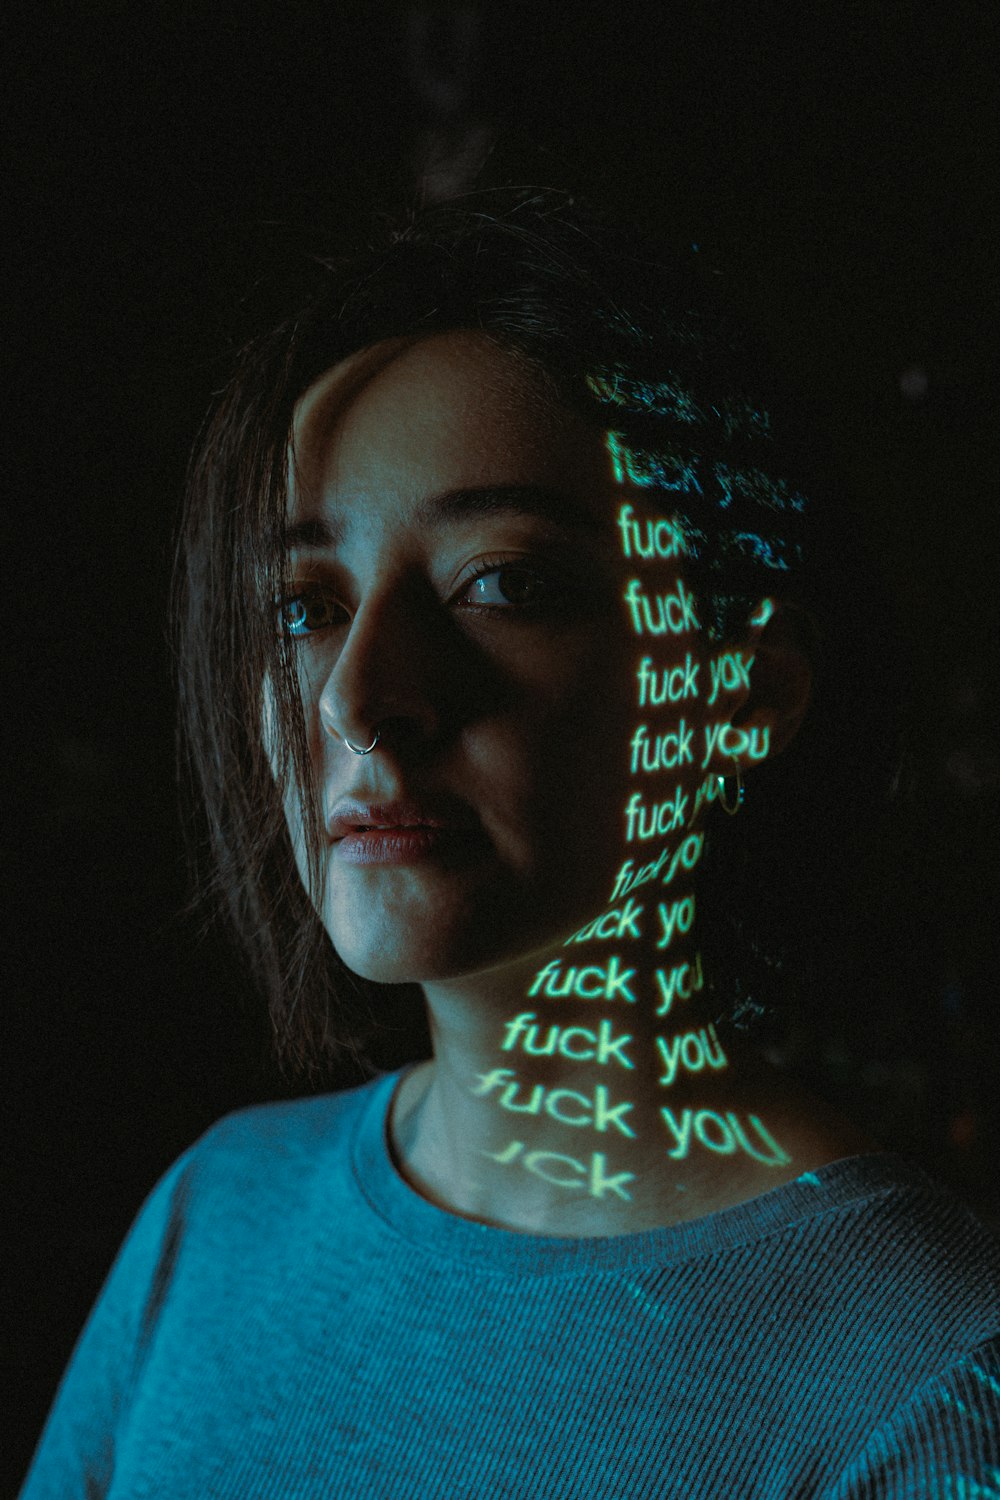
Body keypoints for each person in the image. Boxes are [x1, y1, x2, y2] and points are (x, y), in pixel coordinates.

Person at [19, 190, 1000, 1497]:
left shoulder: (923, 1367)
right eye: (304, 603)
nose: (362, 698)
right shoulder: (215, 1218)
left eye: (502, 583)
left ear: (735, 690)